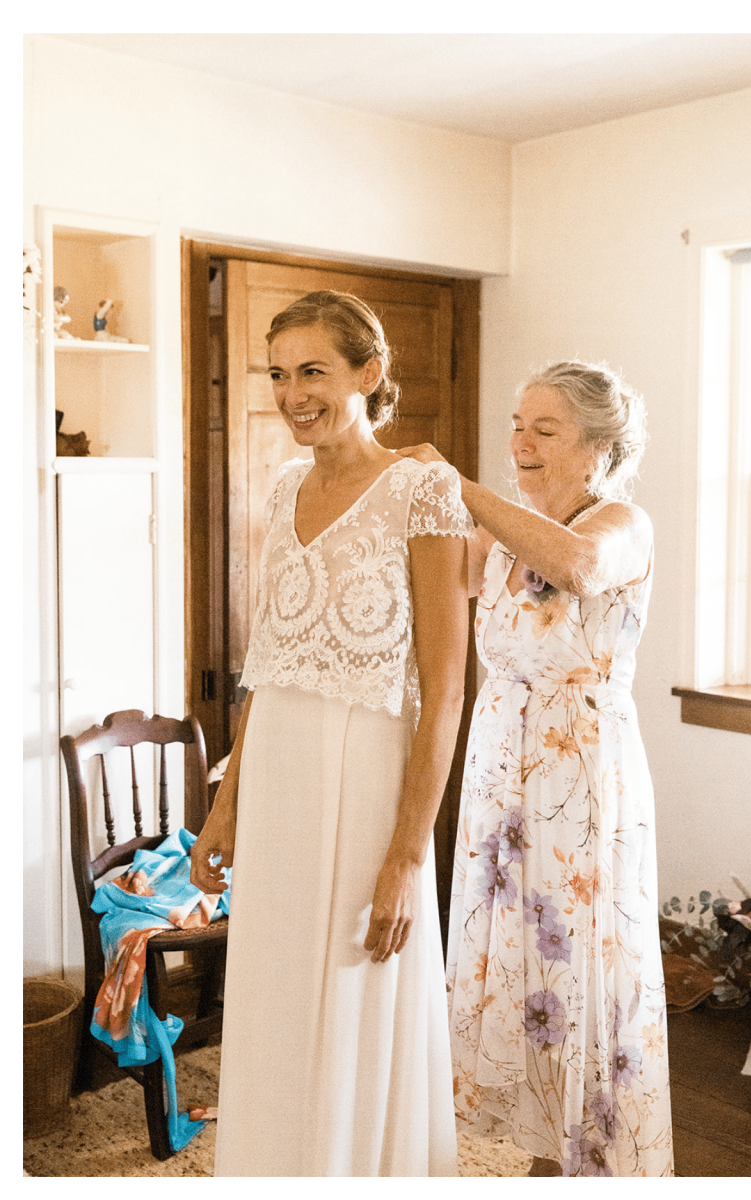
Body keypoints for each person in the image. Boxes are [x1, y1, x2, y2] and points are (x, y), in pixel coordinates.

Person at [190, 291, 471, 1174]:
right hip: (277, 776)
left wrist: (405, 859)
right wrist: (225, 809)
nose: (292, 392)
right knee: (274, 993)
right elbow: (264, 668)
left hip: (370, 785)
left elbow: (447, 688)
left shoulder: (422, 491)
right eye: (279, 373)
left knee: (357, 984)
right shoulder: (284, 486)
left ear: (369, 373)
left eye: (313, 370)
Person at [398, 360, 673, 1176]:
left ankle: (587, 1156)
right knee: (512, 954)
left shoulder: (623, 523)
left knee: (575, 957)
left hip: (578, 777)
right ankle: (538, 1147)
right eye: (517, 425)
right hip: (500, 773)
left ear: (595, 451)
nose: (519, 443)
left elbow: (580, 566)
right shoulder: (503, 535)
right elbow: (431, 580)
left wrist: (456, 484)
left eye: (543, 430)